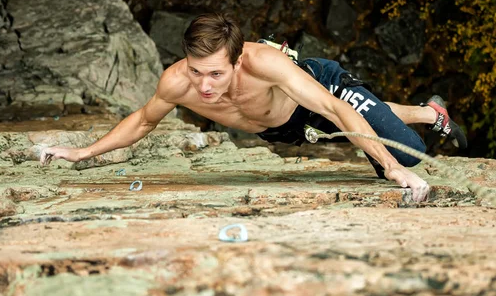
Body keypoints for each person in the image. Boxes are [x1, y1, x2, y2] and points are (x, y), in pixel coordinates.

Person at [40, 13, 467, 202]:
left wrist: (392, 167)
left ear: (236, 59)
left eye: (215, 74)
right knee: (376, 117)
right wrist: (82, 153)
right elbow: (142, 121)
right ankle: (430, 111)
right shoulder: (176, 81)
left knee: (410, 151)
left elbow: (335, 110)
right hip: (281, 129)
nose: (204, 88)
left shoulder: (264, 64)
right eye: (196, 71)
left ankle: (430, 117)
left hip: (320, 91)